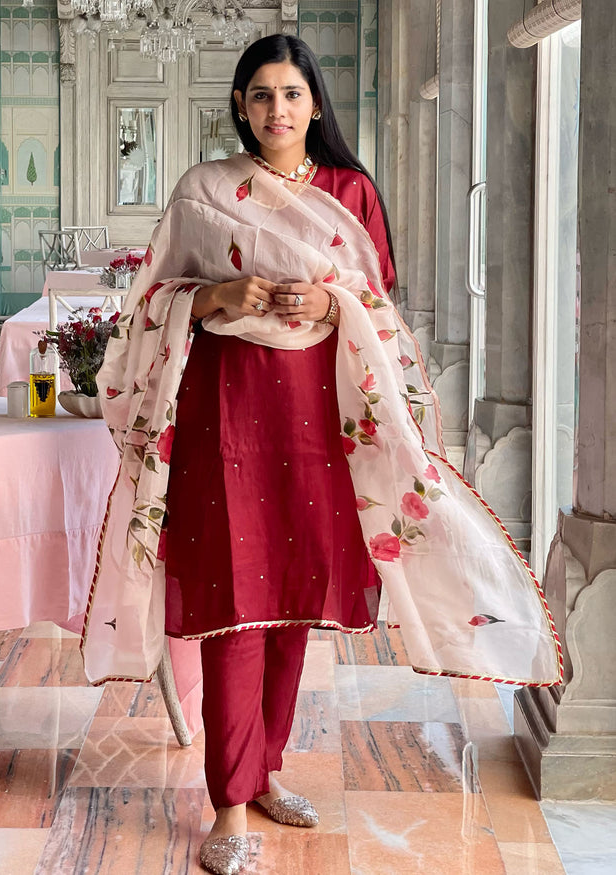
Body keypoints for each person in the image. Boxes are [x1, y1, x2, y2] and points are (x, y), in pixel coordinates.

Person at [80, 34, 562, 875]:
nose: (277, 110)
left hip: (316, 419)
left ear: (315, 105)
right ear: (239, 104)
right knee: (234, 594)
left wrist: (332, 298)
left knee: (294, 598)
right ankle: (228, 802)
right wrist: (214, 295)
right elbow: (149, 299)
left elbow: (380, 305)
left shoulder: (351, 190)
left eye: (293, 94)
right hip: (224, 416)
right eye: (261, 94)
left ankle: (263, 769)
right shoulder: (204, 192)